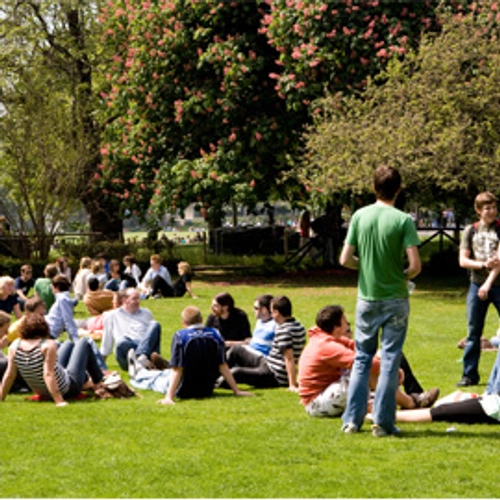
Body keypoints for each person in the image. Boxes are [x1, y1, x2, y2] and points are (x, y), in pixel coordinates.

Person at [340, 165, 421, 437]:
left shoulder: (359, 216)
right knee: (389, 359)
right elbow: (415, 265)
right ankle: (383, 423)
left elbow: (344, 259)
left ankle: (352, 420)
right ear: (398, 189)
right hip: (396, 298)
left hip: (367, 298)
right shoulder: (403, 220)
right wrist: (401, 274)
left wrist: (365, 268)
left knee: (362, 358)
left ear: (374, 187)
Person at [298, 305, 439, 418]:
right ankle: (410, 403)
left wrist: (382, 356)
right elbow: (359, 361)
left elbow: (355, 347)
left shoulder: (327, 339)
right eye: (345, 322)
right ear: (336, 328)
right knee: (365, 371)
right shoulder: (326, 346)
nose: (348, 326)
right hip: (316, 403)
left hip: (330, 391)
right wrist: (393, 370)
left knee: (383, 358)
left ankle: (402, 400)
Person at [128, 306, 252, 404]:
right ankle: (145, 369)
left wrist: (169, 397)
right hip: (206, 389)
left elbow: (178, 370)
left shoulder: (181, 336)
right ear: (201, 319)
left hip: (184, 390)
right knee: (164, 374)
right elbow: (223, 365)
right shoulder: (215, 334)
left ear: (184, 323)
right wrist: (236, 390)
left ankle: (138, 372)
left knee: (152, 381)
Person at [0, 314, 104, 406]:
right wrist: (58, 400)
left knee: (68, 344)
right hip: (69, 389)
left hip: (42, 391)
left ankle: (89, 379)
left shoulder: (15, 346)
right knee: (84, 343)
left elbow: (10, 374)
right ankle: (99, 382)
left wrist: (1, 396)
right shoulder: (48, 345)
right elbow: (48, 374)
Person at [458, 192, 500, 387]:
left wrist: (488, 282)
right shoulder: (470, 231)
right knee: (474, 331)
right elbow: (463, 260)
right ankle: (469, 375)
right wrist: (483, 265)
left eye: (493, 207)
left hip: (497, 285)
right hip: (476, 284)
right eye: (487, 208)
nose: (491, 212)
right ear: (478, 211)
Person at [221, 296, 306, 391]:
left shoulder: (284, 330)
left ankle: (213, 383)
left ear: (277, 313)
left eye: (272, 312)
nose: (272, 316)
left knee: (237, 373)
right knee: (237, 350)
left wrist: (292, 384)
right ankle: (210, 373)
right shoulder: (299, 326)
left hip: (274, 374)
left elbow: (289, 357)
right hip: (268, 364)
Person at [100, 288, 161, 371]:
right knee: (121, 342)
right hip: (127, 354)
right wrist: (101, 366)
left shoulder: (146, 313)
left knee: (155, 324)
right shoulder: (112, 316)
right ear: (125, 300)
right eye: (134, 299)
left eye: (138, 298)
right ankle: (140, 360)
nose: (138, 301)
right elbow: (106, 344)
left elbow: (151, 338)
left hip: (145, 349)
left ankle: (142, 357)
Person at [45, 275, 79, 342]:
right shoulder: (62, 298)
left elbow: (68, 319)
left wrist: (75, 339)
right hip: (48, 328)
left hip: (49, 331)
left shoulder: (62, 299)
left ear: (57, 287)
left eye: (52, 286)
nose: (51, 288)